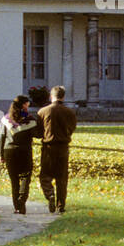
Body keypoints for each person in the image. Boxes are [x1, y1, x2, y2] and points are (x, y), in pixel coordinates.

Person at [37, 85, 77, 213]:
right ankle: (61, 205)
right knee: (62, 178)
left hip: (48, 147)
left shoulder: (43, 112)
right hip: (63, 147)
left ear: (51, 96)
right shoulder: (69, 112)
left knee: (45, 175)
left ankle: (50, 194)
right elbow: (72, 128)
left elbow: (39, 131)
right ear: (63, 97)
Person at [0, 94, 38, 214]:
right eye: (27, 105)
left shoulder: (6, 119)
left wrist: (1, 155)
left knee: (14, 181)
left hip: (9, 151)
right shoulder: (30, 119)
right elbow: (37, 133)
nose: (28, 108)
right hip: (24, 151)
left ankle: (17, 207)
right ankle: (22, 199)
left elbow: (1, 137)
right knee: (25, 177)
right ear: (24, 105)